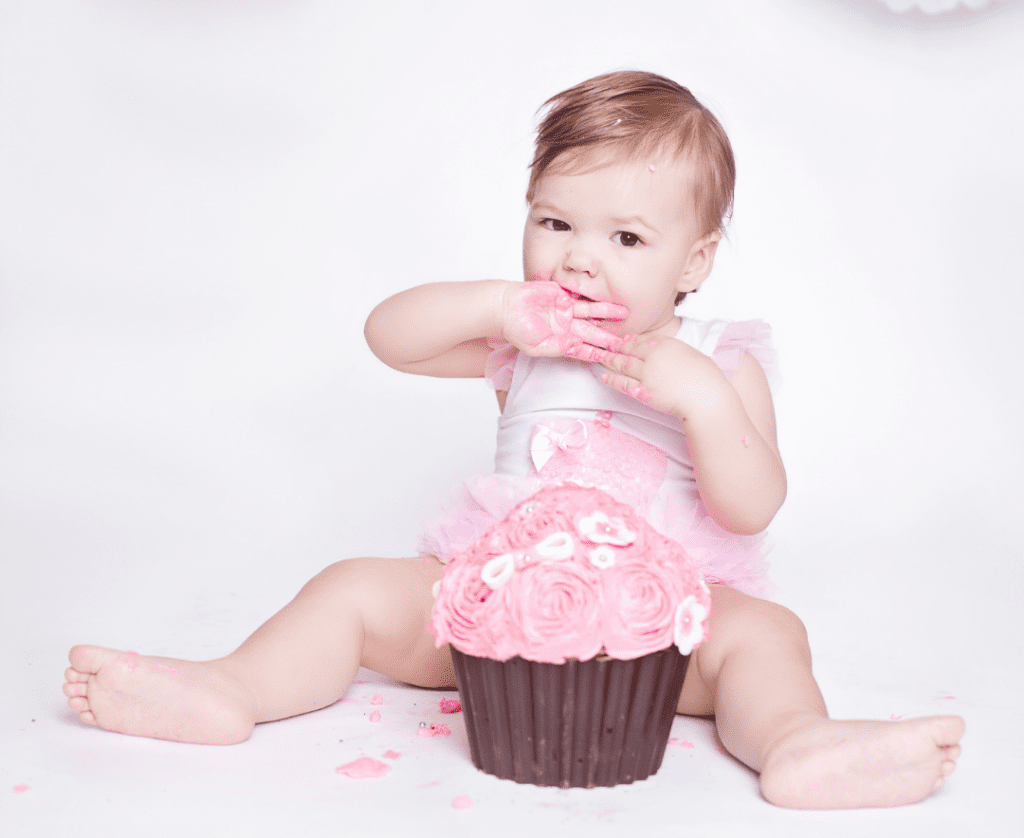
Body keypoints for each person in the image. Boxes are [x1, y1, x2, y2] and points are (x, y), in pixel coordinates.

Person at [63, 71, 963, 809]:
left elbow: (755, 502)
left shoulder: (716, 359)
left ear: (694, 262)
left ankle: (798, 744)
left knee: (766, 636)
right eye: (555, 222)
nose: (579, 257)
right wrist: (498, 307)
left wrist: (706, 404)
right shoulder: (525, 343)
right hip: (496, 614)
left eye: (626, 237)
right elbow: (390, 337)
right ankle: (232, 688)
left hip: (665, 634)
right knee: (351, 590)